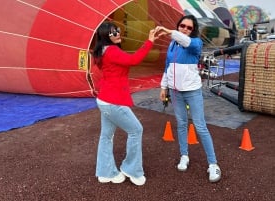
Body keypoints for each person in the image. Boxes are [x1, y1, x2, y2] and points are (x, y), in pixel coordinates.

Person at [155, 15, 221, 183]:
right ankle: (184, 155)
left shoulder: (195, 43)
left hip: (192, 91)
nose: (184, 29)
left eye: (189, 27)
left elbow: (185, 41)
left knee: (200, 126)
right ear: (178, 26)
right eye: (182, 25)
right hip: (176, 92)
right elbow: (167, 67)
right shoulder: (172, 44)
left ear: (193, 31)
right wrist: (164, 87)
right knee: (182, 124)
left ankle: (213, 164)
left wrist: (170, 31)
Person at [92, 21, 159, 186]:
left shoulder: (102, 51)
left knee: (106, 136)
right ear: (105, 36)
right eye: (113, 32)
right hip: (112, 100)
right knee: (136, 130)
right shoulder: (112, 51)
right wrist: (149, 41)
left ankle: (105, 172)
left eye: (118, 30)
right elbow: (134, 60)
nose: (117, 34)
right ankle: (132, 170)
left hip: (104, 99)